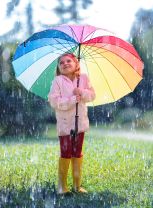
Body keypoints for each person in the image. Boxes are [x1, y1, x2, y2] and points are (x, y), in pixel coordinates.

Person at [48, 53, 96, 194]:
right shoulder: (57, 81)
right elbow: (54, 101)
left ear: (76, 63)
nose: (65, 63)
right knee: (66, 152)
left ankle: (77, 185)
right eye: (61, 62)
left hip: (79, 123)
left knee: (77, 152)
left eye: (69, 61)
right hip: (65, 124)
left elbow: (92, 95)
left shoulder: (83, 78)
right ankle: (62, 186)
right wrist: (70, 100)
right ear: (58, 67)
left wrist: (82, 92)